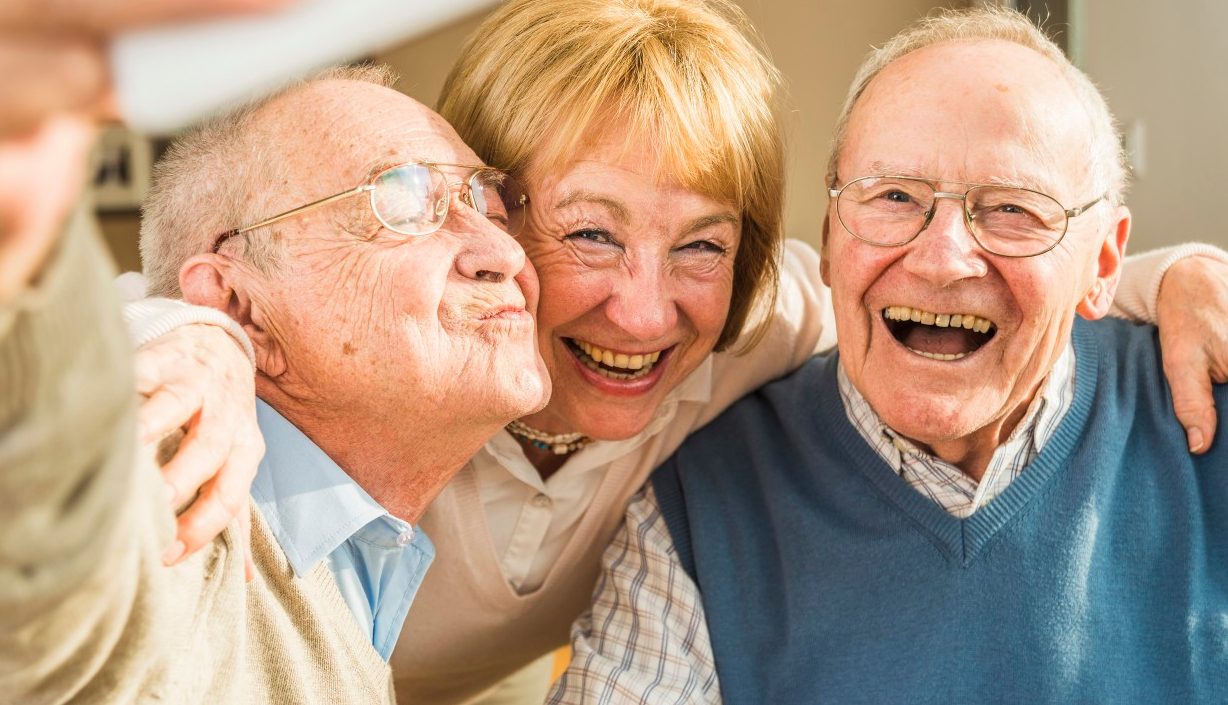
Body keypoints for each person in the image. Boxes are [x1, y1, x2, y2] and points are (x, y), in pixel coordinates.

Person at [122, 1, 1228, 703]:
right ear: (485, 221)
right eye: (588, 233)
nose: (645, 315)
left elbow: (994, 268)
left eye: (701, 244)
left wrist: (1177, 275)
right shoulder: (377, 361)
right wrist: (194, 331)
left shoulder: (761, 322)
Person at [550, 7, 1228, 704]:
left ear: (1106, 258)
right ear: (828, 235)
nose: (940, 260)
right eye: (895, 196)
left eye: (1012, 209)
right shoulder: (698, 508)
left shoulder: (1206, 408)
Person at [2, 37, 550, 701]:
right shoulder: (178, 493)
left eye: (487, 202)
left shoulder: (390, 567)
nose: (502, 252)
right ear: (241, 305)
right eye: (403, 201)